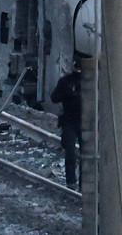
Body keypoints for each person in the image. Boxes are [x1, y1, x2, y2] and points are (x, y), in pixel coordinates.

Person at [51, 60, 82, 189]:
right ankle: (72, 182)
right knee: (71, 152)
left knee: (84, 154)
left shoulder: (89, 82)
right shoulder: (66, 82)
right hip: (70, 121)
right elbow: (55, 97)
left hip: (83, 121)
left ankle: (82, 183)